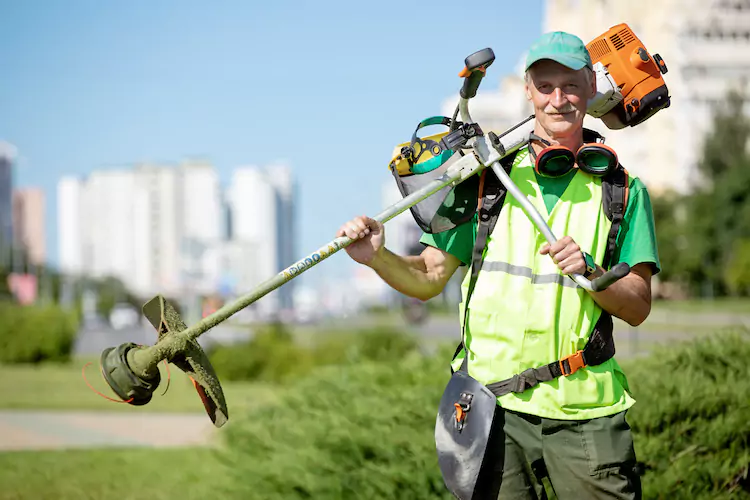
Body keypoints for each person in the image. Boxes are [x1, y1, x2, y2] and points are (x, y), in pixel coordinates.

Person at [337, 31, 660, 499]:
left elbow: (638, 307)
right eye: (545, 86)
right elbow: (428, 277)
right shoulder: (486, 179)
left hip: (584, 414)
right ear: (527, 91)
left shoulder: (626, 192)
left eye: (570, 85)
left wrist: (590, 271)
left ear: (592, 88)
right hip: (489, 412)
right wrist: (377, 257)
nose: (558, 99)